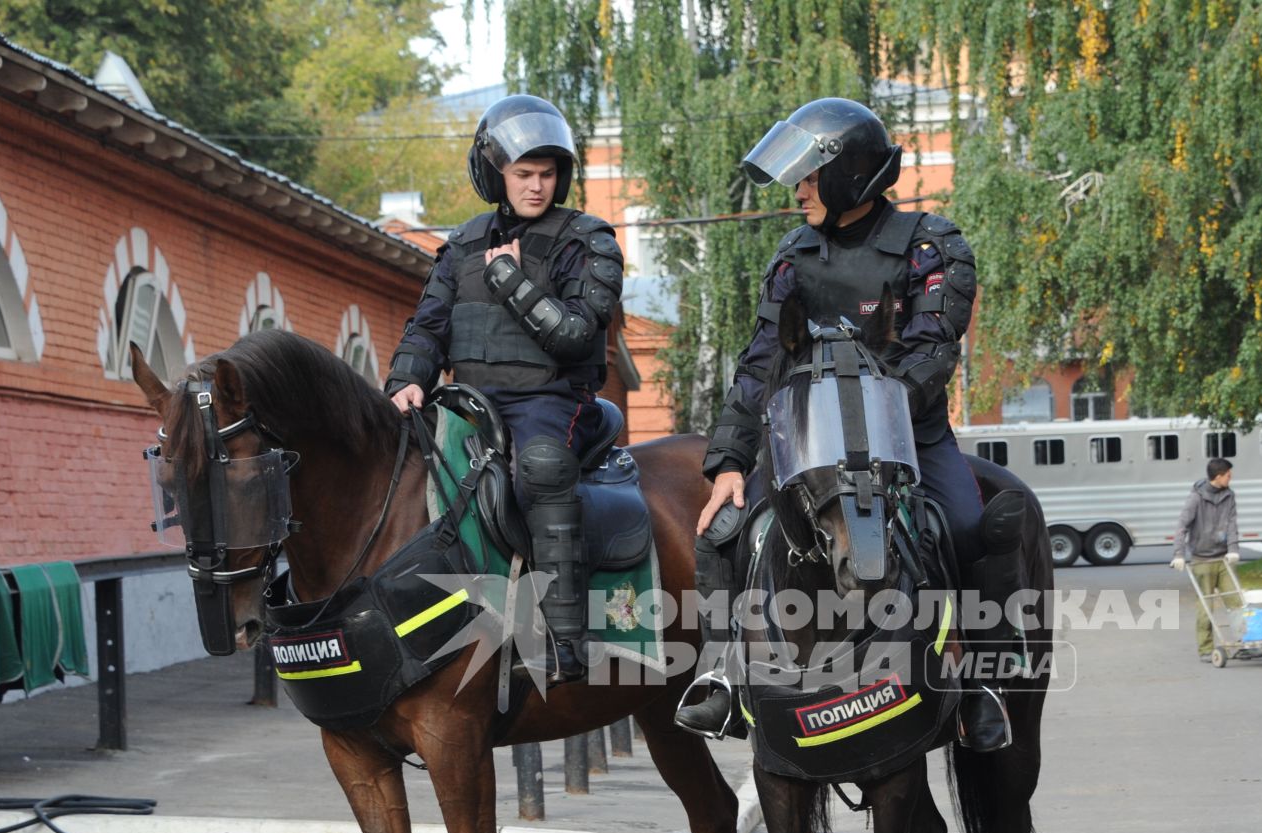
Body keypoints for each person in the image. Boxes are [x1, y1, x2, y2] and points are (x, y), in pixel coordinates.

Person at [672, 97, 1010, 751]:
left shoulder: (933, 244)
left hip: (909, 439)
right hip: (806, 445)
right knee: (721, 533)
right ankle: (720, 675)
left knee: (971, 528)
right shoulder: (794, 254)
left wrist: (867, 414)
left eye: (806, 177)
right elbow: (760, 360)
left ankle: (982, 686)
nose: (798, 192)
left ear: (847, 174)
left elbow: (932, 352)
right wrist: (729, 463)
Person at [383, 94, 624, 684]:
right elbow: (429, 325)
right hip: (470, 401)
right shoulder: (461, 244)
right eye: (523, 174)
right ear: (496, 174)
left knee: (540, 468)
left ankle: (568, 638)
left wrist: (509, 278)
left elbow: (572, 334)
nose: (536, 186)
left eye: (546, 174)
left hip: (550, 400)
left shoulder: (586, 241)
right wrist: (406, 381)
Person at [1171, 458, 1241, 662]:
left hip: (1223, 559)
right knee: (1206, 607)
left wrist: (1233, 549)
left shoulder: (1229, 495)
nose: (1231, 477)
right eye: (1228, 474)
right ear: (1219, 476)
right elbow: (1181, 526)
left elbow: (1231, 524)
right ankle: (1205, 649)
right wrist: (1179, 554)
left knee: (1237, 603)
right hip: (1202, 560)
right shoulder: (1196, 498)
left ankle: (1246, 642)